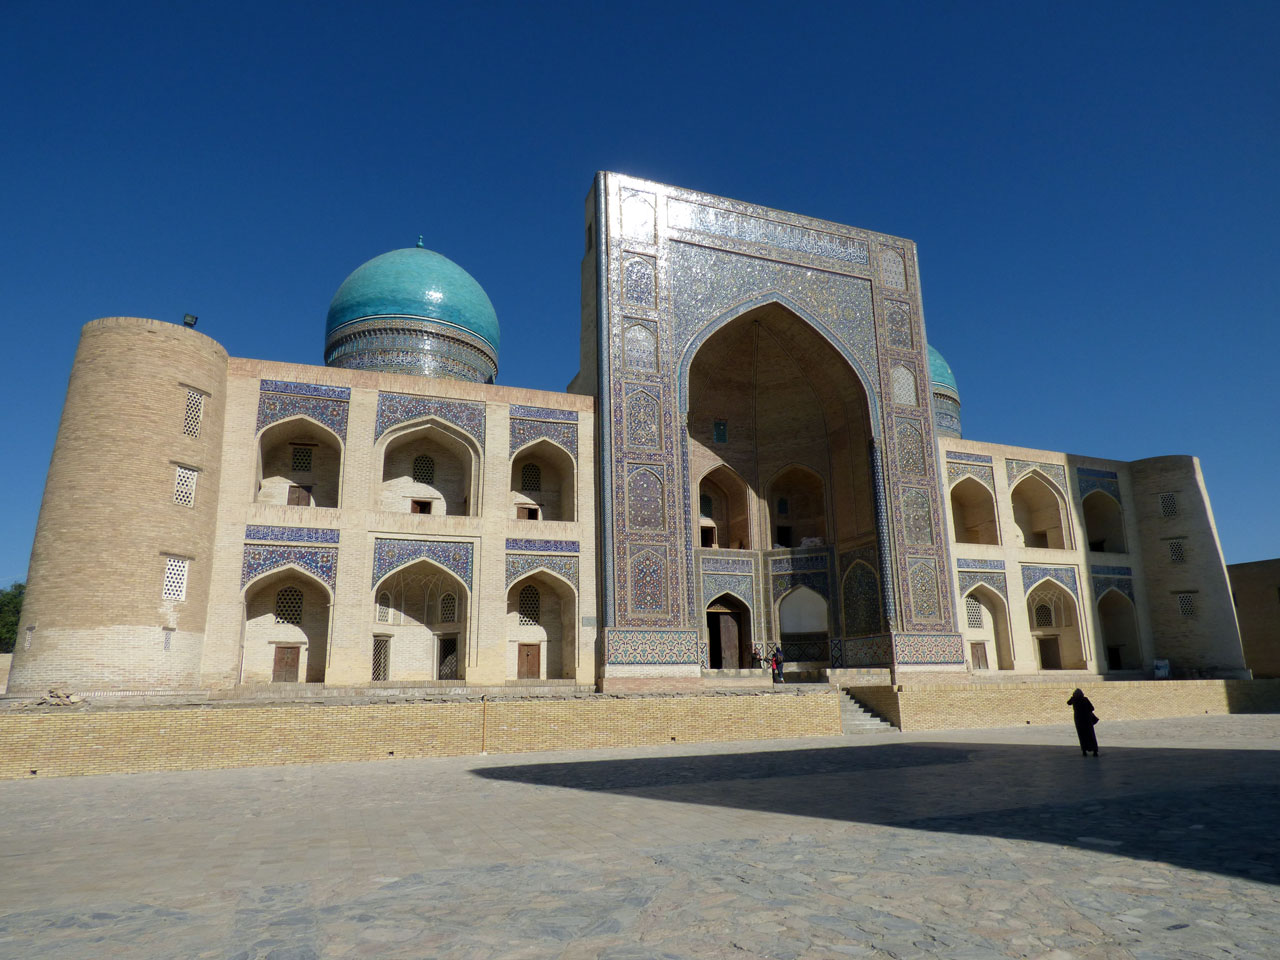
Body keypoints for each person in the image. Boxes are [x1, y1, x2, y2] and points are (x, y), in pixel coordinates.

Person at [1067, 688, 1099, 756]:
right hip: (1087, 719)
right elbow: (1092, 708)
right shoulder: (1085, 699)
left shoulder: (1074, 700)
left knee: (1081, 735)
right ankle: (1094, 750)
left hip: (1079, 720)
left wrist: (1072, 697)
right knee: (1090, 734)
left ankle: (1084, 750)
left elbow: (1068, 703)